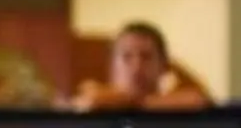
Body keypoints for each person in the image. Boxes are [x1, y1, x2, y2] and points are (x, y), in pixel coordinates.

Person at [73, 22, 211, 112]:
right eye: (127, 57)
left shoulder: (177, 108)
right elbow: (87, 102)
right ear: (112, 66)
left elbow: (197, 100)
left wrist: (135, 102)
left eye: (146, 57)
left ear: (163, 65)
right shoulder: (93, 105)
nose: (137, 66)